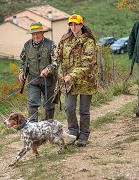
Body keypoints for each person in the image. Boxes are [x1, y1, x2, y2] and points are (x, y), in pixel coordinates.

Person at [55, 14, 98, 147]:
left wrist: (72, 75)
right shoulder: (65, 39)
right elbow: (58, 56)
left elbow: (88, 63)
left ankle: (84, 135)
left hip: (86, 81)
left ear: (81, 25)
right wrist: (53, 64)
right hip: (69, 82)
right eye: (71, 24)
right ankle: (73, 133)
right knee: (69, 108)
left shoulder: (89, 41)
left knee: (84, 110)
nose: (73, 27)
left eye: (76, 24)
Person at [19, 22, 58, 122]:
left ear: (42, 33)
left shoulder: (51, 45)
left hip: (49, 80)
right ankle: (32, 127)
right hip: (33, 79)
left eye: (38, 33)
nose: (36, 36)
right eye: (33, 34)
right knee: (32, 102)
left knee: (49, 104)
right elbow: (23, 60)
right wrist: (21, 72)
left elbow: (57, 61)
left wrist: (48, 70)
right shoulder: (27, 46)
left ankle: (49, 125)